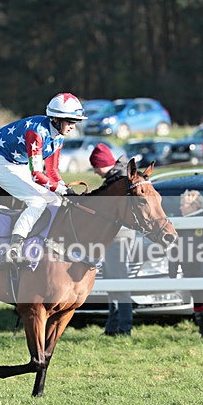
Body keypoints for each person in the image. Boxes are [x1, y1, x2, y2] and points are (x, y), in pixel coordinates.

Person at [0, 93, 86, 263]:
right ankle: (13, 248)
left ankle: (40, 241)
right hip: (1, 164)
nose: (72, 127)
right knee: (37, 202)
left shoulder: (58, 136)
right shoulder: (36, 133)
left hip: (19, 164)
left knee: (54, 201)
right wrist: (61, 189)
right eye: (70, 121)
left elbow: (52, 171)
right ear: (56, 119)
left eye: (75, 122)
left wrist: (64, 188)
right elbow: (37, 175)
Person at [90, 143, 133, 336]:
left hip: (119, 237)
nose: (95, 171)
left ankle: (124, 327)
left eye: (95, 166)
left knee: (119, 282)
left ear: (103, 164)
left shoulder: (119, 182)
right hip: (112, 237)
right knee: (111, 282)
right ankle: (113, 326)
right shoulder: (115, 179)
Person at [169, 190, 203, 336]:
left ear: (194, 206)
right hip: (188, 267)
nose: (180, 208)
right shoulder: (181, 222)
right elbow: (175, 247)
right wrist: (173, 269)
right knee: (196, 297)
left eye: (183, 205)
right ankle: (202, 330)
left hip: (202, 268)